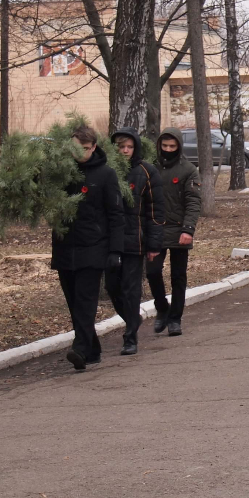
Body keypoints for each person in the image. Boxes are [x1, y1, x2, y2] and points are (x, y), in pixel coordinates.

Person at [53, 125, 125, 370]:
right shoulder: (62, 174)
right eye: (76, 148)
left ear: (94, 147)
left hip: (94, 247)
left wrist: (115, 251)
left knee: (85, 301)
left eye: (85, 149)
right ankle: (92, 349)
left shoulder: (106, 174)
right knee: (74, 302)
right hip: (65, 247)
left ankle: (81, 350)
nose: (80, 153)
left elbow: (116, 215)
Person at [106, 128, 165, 355]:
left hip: (136, 241)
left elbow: (156, 211)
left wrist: (153, 244)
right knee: (112, 287)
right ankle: (133, 318)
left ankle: (130, 337)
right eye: (121, 147)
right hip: (111, 242)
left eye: (130, 147)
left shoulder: (147, 172)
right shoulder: (108, 171)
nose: (125, 151)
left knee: (131, 289)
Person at [146, 128, 202, 337]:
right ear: (159, 145)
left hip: (179, 229)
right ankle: (162, 307)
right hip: (156, 229)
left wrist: (188, 229)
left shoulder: (188, 169)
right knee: (152, 271)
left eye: (172, 146)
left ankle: (175, 319)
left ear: (178, 146)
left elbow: (194, 201)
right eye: (164, 146)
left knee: (179, 276)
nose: (168, 150)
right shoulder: (150, 167)